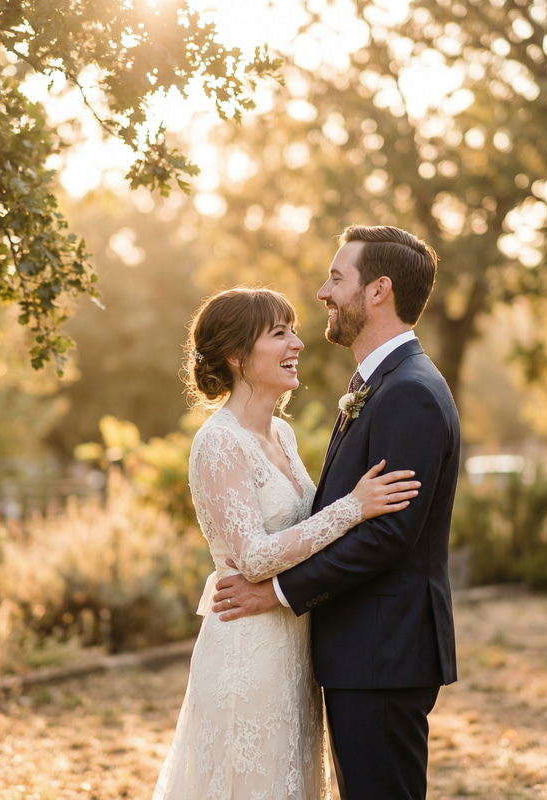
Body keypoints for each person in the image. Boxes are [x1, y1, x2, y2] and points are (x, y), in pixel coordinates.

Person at [212, 225, 461, 800]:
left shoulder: (409, 393)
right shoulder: (383, 386)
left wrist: (276, 593)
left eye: (336, 278)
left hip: (383, 653)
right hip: (365, 652)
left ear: (378, 290)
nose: (322, 293)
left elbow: (388, 537)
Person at [151, 286, 421, 799]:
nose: (297, 343)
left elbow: (301, 533)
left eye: (294, 330)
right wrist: (353, 508)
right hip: (246, 646)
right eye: (280, 334)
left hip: (295, 645)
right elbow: (252, 557)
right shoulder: (218, 441)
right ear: (236, 355)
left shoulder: (283, 435)